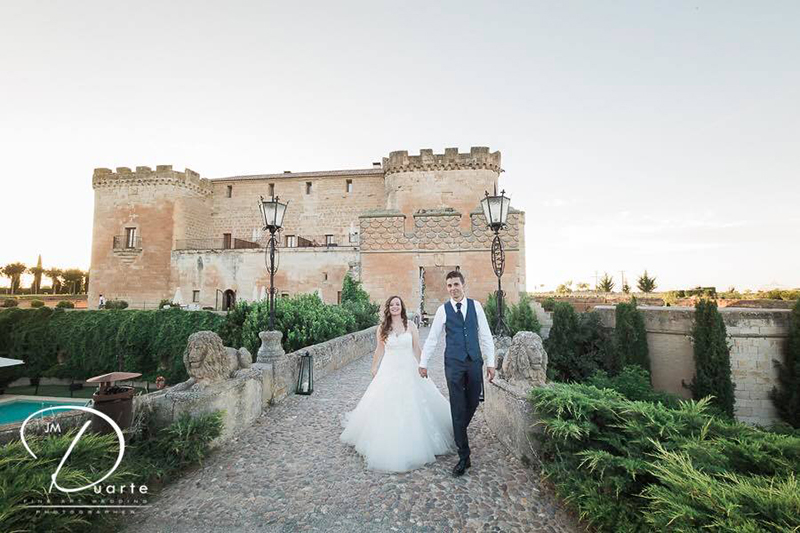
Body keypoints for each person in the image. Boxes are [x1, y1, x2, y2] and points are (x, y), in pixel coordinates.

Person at [340, 295, 456, 472]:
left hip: (409, 368)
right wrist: (374, 367)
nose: (395, 307)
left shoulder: (411, 325)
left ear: (402, 307)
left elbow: (417, 348)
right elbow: (379, 350)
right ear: (388, 308)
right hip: (390, 369)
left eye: (398, 304)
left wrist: (422, 365)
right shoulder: (382, 328)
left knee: (415, 403)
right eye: (392, 305)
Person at [419, 270, 495, 477]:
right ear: (447, 288)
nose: (453, 288)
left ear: (463, 285)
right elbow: (433, 338)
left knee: (472, 402)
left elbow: (485, 334)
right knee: (457, 406)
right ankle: (464, 456)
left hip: (474, 362)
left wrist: (491, 362)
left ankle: (458, 428)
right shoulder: (443, 311)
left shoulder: (476, 306)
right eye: (450, 285)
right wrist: (423, 363)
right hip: (453, 363)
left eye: (456, 284)